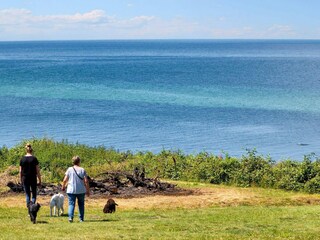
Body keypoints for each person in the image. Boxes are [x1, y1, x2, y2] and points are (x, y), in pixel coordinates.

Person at [62, 156, 90, 222]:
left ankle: (70, 217)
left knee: (71, 204)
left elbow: (65, 180)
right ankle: (81, 218)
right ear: (79, 162)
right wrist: (87, 190)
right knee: (81, 204)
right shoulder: (82, 169)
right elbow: (86, 181)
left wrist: (63, 186)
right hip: (81, 190)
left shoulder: (69, 169)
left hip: (71, 190)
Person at [19, 143, 42, 208]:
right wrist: (40, 180)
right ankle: (32, 207)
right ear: (31, 150)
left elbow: (20, 171)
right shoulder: (34, 159)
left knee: (27, 195)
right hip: (33, 178)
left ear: (26, 150)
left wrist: (20, 179)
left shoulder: (22, 159)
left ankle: (29, 209)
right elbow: (37, 171)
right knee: (34, 194)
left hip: (25, 178)